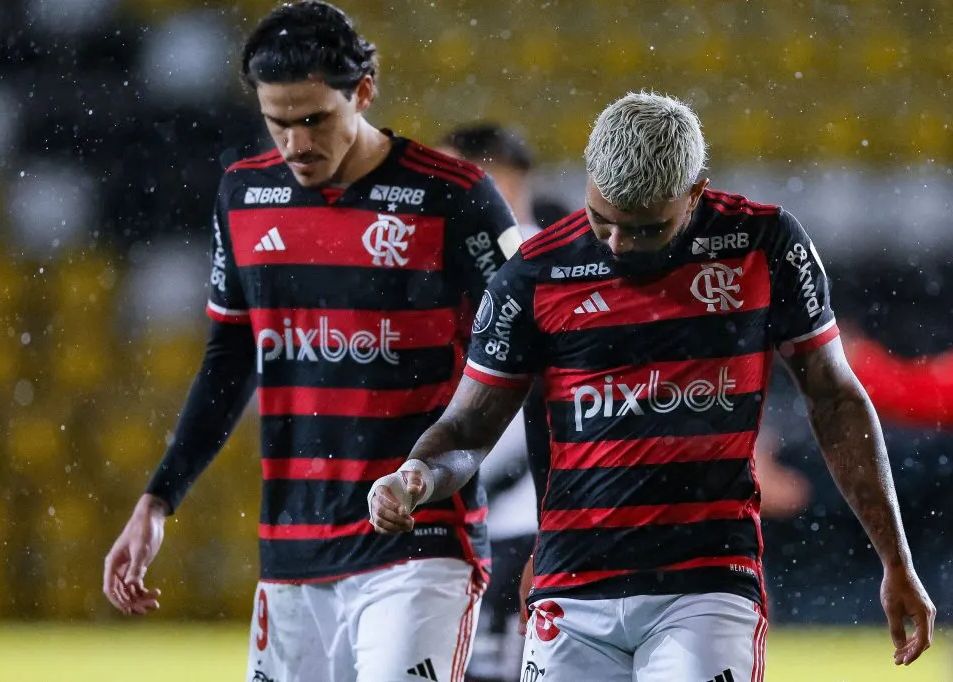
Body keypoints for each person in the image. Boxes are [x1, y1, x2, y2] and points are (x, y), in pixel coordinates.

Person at [369, 91, 935, 681]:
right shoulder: (534, 274)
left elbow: (835, 399)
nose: (617, 243)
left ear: (695, 191)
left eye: (645, 228)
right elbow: (468, 427)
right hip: (571, 587)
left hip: (707, 584)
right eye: (602, 219)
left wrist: (895, 559)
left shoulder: (764, 245)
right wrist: (418, 474)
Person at [101, 3, 520, 681]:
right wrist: (158, 500)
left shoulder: (455, 196)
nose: (296, 143)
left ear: (364, 92)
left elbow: (527, 345)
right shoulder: (243, 194)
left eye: (315, 120)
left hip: (418, 541)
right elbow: (229, 358)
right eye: (278, 122)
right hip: (292, 550)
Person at [437, 123, 570, 682]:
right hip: (464, 503)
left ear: (499, 182)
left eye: (448, 177)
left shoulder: (547, 264)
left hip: (519, 510)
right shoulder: (446, 260)